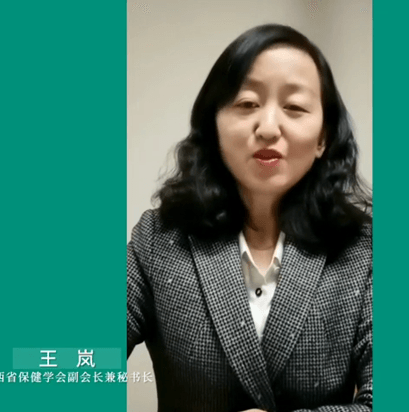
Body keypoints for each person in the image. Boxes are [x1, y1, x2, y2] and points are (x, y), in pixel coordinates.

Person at [127, 23, 372, 412]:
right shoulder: (159, 238)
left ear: (323, 137)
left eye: (294, 107)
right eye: (246, 104)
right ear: (214, 125)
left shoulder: (363, 249)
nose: (268, 128)